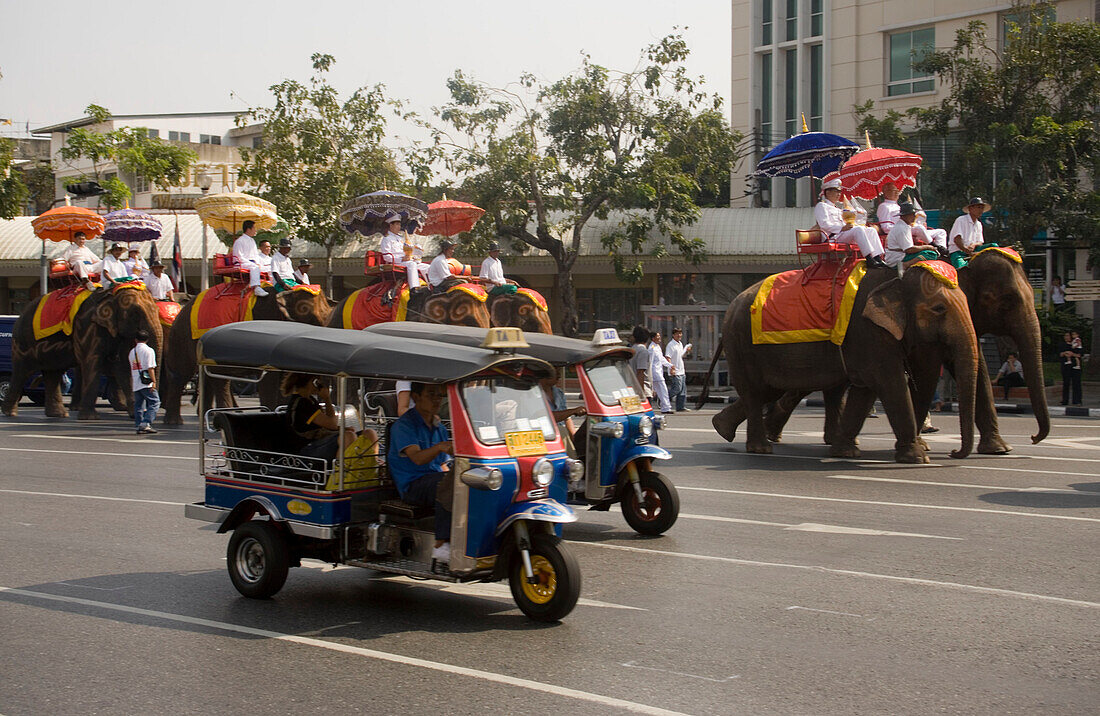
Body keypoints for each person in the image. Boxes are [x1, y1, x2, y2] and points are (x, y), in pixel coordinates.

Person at [386, 382, 454, 566]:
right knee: (447, 484)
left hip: (433, 479)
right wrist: (440, 447)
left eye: (439, 395)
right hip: (413, 485)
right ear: (416, 397)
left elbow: (443, 464)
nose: (437, 399)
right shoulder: (404, 426)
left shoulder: (439, 427)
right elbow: (416, 458)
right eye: (431, 394)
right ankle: (441, 543)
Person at [814, 178, 888, 267]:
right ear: (828, 192)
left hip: (842, 234)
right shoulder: (821, 206)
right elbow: (824, 224)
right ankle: (869, 259)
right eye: (836, 191)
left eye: (839, 192)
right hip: (832, 236)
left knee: (870, 230)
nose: (838, 194)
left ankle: (877, 257)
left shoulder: (837, 208)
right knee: (858, 230)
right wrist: (842, 228)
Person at [284, 373, 358, 461]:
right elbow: (332, 424)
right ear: (310, 382)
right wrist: (327, 398)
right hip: (306, 448)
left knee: (368, 433)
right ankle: (340, 471)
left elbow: (329, 423)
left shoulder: (311, 400)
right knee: (348, 436)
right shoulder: (302, 403)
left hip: (318, 442)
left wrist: (344, 428)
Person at [883, 202, 938, 270]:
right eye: (911, 215)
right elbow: (909, 249)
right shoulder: (902, 228)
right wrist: (927, 247)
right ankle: (905, 265)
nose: (914, 217)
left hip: (897, 255)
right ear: (904, 216)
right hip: (898, 258)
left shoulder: (903, 226)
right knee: (930, 254)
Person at [378, 213, 425, 288]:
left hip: (406, 260)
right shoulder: (387, 239)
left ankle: (431, 286)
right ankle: (414, 288)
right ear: (391, 225)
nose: (399, 227)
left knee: (425, 266)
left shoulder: (400, 239)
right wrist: (401, 259)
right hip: (396, 262)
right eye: (397, 224)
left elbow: (406, 251)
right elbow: (386, 257)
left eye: (399, 225)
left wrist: (412, 255)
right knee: (412, 265)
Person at [128, 329, 160, 435]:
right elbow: (150, 368)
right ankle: (146, 423)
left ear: (136, 340)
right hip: (146, 382)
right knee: (155, 402)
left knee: (138, 405)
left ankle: (138, 425)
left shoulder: (132, 352)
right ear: (147, 339)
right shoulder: (149, 351)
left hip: (136, 382)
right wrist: (154, 381)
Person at [947, 197, 991, 269]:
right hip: (958, 252)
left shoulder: (979, 224)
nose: (981, 210)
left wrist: (974, 245)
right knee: (962, 268)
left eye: (982, 208)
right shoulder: (961, 220)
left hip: (973, 250)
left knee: (994, 246)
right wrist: (968, 252)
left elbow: (980, 242)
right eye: (979, 207)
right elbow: (957, 239)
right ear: (971, 209)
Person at [540, 369, 585, 435]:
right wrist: (573, 411)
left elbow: (567, 418)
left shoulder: (559, 393)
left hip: (560, 432)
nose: (559, 374)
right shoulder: (532, 394)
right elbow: (547, 417)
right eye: (555, 370)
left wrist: (573, 437)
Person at [231, 220, 268, 296]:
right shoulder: (239, 241)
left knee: (269, 268)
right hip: (241, 263)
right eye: (254, 228)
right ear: (249, 229)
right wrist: (252, 263)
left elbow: (255, 255)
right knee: (254, 267)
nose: (255, 230)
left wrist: (258, 263)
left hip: (251, 263)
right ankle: (256, 287)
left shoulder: (252, 241)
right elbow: (238, 257)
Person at [664, 327, 692, 412]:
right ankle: (663, 399)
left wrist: (686, 351)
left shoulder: (680, 343)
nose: (679, 335)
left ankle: (680, 406)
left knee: (682, 390)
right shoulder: (670, 345)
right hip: (675, 371)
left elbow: (680, 356)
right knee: (677, 389)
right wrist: (671, 368)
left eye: (680, 333)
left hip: (681, 369)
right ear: (673, 335)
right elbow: (668, 357)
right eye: (677, 334)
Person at [648, 330, 673, 414]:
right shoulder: (651, 349)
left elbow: (662, 359)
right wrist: (650, 375)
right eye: (657, 336)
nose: (659, 338)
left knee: (660, 391)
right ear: (653, 338)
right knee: (662, 390)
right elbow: (650, 363)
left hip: (659, 372)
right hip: (655, 373)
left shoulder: (657, 347)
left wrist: (670, 365)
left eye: (659, 336)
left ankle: (665, 407)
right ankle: (666, 408)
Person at [629, 325, 653, 400]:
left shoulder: (632, 349)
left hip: (632, 388)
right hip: (643, 389)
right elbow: (640, 372)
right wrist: (641, 393)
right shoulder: (643, 351)